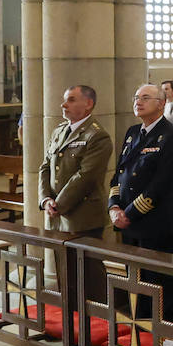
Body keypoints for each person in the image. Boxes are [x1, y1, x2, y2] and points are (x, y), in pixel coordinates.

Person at [108, 84, 173, 325]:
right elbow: (119, 174)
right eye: (136, 97)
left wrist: (128, 213)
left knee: (159, 284)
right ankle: (140, 334)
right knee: (137, 282)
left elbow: (161, 184)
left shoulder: (171, 135)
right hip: (129, 223)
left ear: (161, 103)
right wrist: (113, 206)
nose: (137, 102)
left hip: (154, 223)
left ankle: (163, 337)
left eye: (145, 98)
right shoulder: (132, 132)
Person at [38, 85, 112, 236]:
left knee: (83, 260)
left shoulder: (97, 136)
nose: (63, 105)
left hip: (82, 218)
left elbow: (86, 176)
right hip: (55, 215)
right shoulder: (59, 131)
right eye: (64, 100)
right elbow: (45, 167)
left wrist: (58, 205)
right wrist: (45, 199)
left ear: (88, 104)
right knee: (60, 259)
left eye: (71, 100)